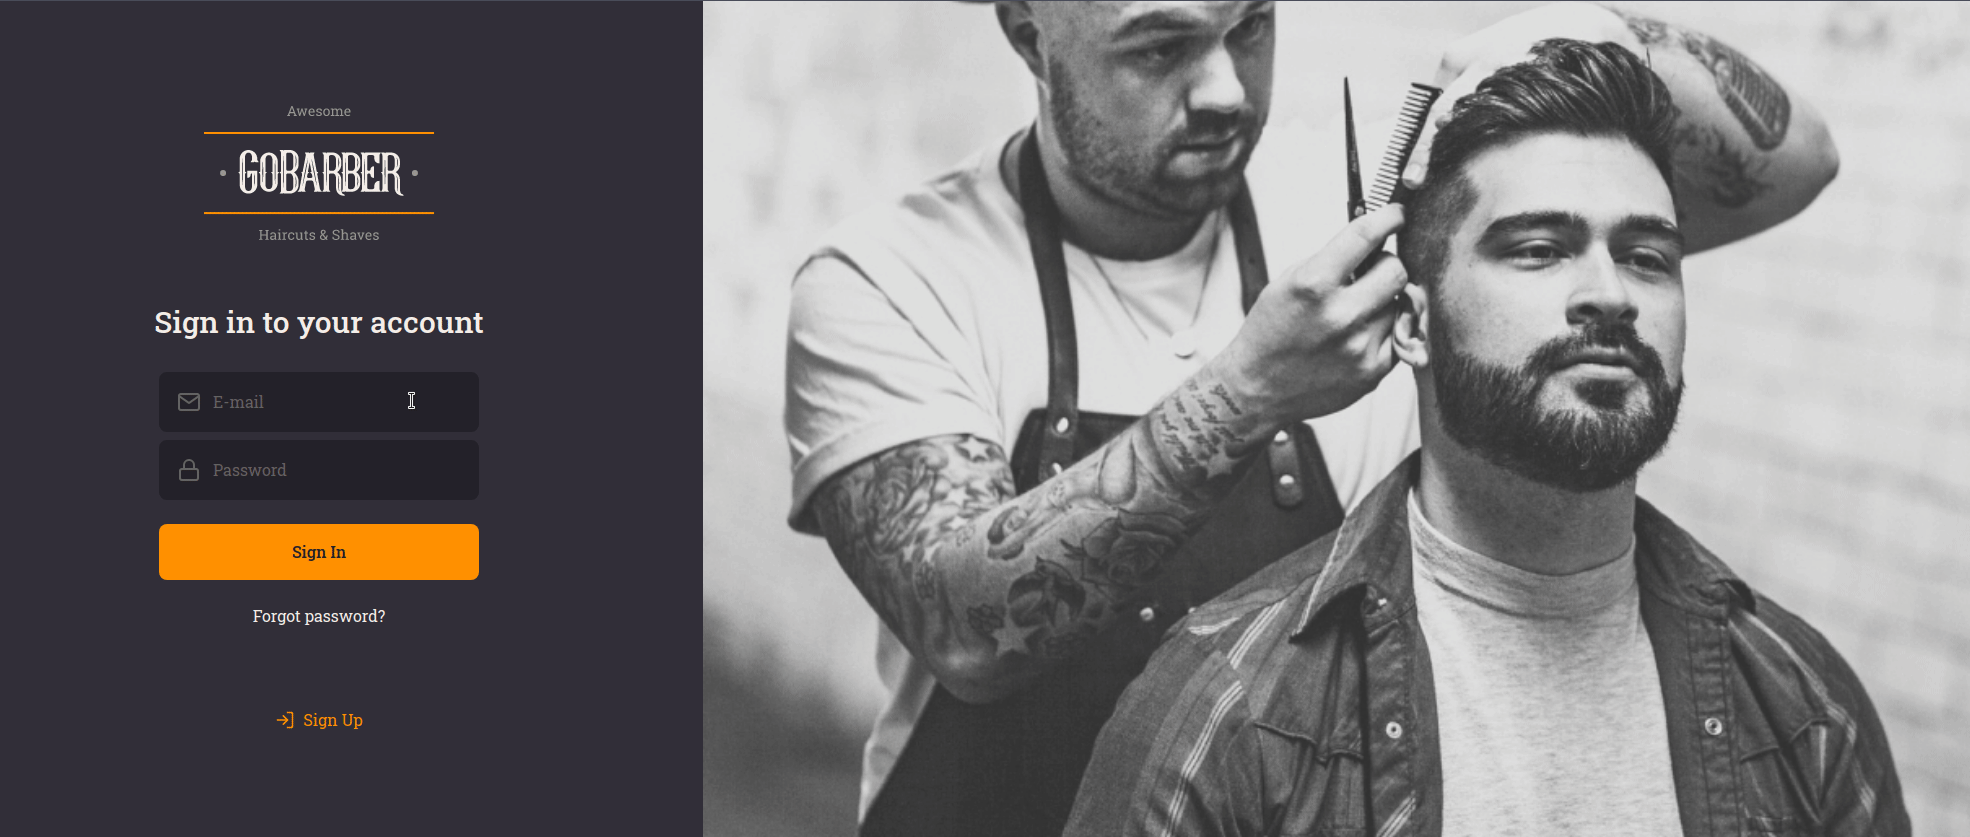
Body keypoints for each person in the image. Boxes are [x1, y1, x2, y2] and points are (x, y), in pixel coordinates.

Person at [784, 3, 1840, 835]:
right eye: (1158, 48)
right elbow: (965, 628)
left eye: (1250, 27)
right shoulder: (893, 279)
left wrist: (1607, 31)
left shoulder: (1361, 206)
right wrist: (1251, 389)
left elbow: (1798, 163)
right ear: (1028, 34)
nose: (1221, 90)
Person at [1062, 38, 1905, 836]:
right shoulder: (1233, 712)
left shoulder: (1804, 709)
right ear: (1412, 324)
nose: (1611, 294)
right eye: (1540, 249)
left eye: (1647, 257)